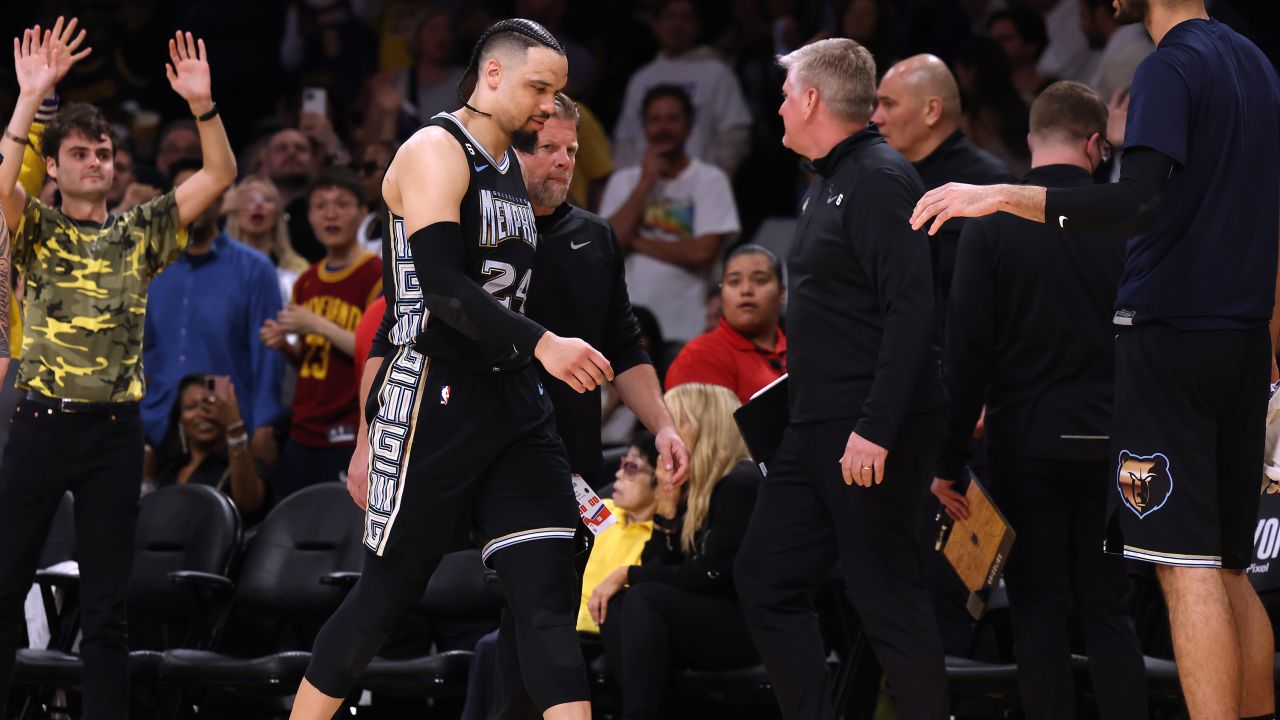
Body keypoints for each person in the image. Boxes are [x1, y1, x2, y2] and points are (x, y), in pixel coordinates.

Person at [910, 1, 1280, 716]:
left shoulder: (1171, 64)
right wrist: (1267, 342)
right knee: (1231, 569)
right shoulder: (1258, 64)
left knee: (1186, 565)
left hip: (1170, 337)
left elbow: (1137, 202)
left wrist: (1000, 195)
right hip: (1240, 340)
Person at [289, 19, 618, 720]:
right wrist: (545, 344)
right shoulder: (435, 149)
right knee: (385, 596)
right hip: (433, 391)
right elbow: (441, 286)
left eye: (558, 92)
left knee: (546, 597)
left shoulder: (508, 165)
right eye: (538, 87)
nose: (547, 105)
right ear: (491, 75)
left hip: (512, 402)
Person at [0, 25, 236, 717]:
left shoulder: (139, 230)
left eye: (104, 151)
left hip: (114, 434)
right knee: (3, 589)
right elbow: (3, 181)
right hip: (40, 421)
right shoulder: (34, 226)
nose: (96, 161)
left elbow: (219, 175)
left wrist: (203, 107)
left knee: (107, 609)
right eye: (80, 152)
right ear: (56, 168)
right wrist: (30, 99)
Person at [734, 38, 949, 719]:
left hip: (866, 431)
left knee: (888, 599)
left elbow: (913, 313)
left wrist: (876, 429)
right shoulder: (825, 180)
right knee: (764, 575)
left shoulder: (881, 178)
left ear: (813, 99)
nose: (778, 105)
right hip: (813, 427)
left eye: (785, 92)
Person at [932, 81, 1147, 720]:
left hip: (1026, 443)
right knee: (1110, 613)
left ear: (1030, 143)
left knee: (1039, 615)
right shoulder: (1126, 219)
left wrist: (948, 460)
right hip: (1117, 445)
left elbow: (965, 351)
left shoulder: (993, 218)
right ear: (1095, 145)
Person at [485, 91, 691, 719]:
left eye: (570, 150)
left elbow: (625, 347)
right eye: (546, 148)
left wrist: (662, 427)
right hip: (487, 455)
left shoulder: (595, 236)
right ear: (510, 151)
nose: (562, 162)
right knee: (534, 610)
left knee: (534, 617)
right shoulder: (477, 232)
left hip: (569, 461)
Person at [462, 433, 662, 720]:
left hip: (602, 630)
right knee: (491, 646)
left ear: (659, 482)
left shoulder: (659, 532)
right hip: (560, 616)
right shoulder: (598, 514)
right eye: (621, 464)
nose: (618, 474)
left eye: (632, 468)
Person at [594, 383, 760, 719]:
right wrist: (667, 514)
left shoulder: (741, 483)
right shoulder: (694, 487)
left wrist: (628, 573)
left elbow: (712, 575)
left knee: (642, 597)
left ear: (703, 425)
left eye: (672, 422)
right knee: (621, 604)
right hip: (706, 617)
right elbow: (662, 567)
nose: (662, 433)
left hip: (749, 622)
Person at [143, 159, 286, 459]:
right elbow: (143, 350)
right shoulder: (152, 266)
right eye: (184, 190)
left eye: (204, 189)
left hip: (230, 425)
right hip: (160, 423)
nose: (194, 199)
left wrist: (264, 425)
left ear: (222, 197)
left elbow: (267, 355)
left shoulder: (255, 268)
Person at [261, 168, 382, 500]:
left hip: (348, 431)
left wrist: (316, 324)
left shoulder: (377, 274)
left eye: (342, 204)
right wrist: (285, 346)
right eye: (320, 206)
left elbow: (374, 351)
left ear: (362, 213)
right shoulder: (306, 281)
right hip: (304, 428)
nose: (330, 214)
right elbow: (310, 359)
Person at [871, 53, 1014, 335]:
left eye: (888, 104)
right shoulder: (879, 179)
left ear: (931, 111)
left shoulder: (992, 184)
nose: (876, 118)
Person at [600, 84, 741, 344]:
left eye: (672, 119)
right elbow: (606, 249)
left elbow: (703, 253)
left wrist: (636, 241)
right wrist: (645, 184)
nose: (663, 128)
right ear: (644, 127)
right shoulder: (624, 182)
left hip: (687, 327)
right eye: (655, 120)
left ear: (689, 127)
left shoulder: (710, 180)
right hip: (629, 327)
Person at [611, 0, 753, 175]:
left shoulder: (716, 72)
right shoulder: (641, 79)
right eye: (669, 17)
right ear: (656, 25)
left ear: (697, 27)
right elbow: (626, 139)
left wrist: (718, 178)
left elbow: (735, 132)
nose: (676, 26)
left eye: (685, 18)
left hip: (700, 184)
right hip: (647, 188)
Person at [665, 244, 787, 403]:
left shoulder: (803, 353)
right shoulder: (699, 356)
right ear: (722, 294)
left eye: (760, 280)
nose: (746, 290)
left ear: (782, 293)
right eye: (734, 282)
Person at [150, 374, 267, 520]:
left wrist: (234, 426)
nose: (201, 413)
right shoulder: (170, 467)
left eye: (210, 405)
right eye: (191, 407)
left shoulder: (245, 466)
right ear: (180, 419)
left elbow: (249, 505)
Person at [225, 175, 310, 304]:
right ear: (235, 211)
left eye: (267, 200)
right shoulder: (221, 265)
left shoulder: (298, 269)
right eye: (249, 200)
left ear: (278, 213)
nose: (258, 205)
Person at [1079, 0, 1153, 101]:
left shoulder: (1120, 61)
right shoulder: (1122, 52)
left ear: (1101, 15)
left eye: (1083, 16)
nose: (1082, 27)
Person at [987, 9, 1057, 103]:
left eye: (1005, 39)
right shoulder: (991, 92)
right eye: (993, 41)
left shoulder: (1054, 92)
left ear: (1031, 45)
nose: (996, 46)